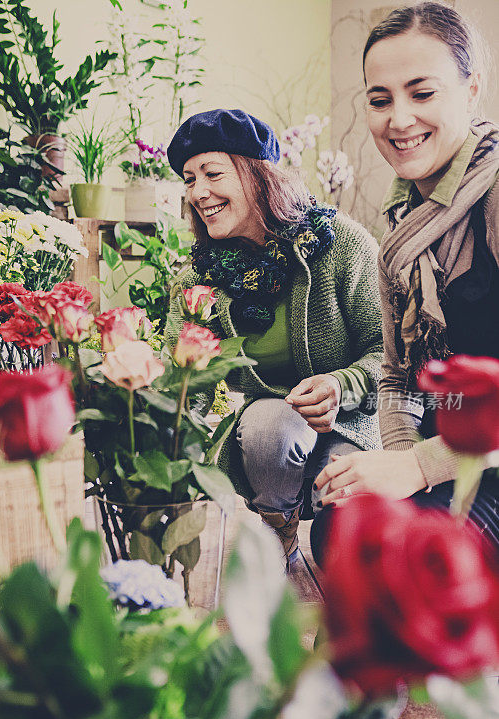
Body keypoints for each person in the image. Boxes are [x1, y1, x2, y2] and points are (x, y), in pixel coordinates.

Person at [313, 1, 499, 556]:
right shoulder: (401, 229)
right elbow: (397, 379)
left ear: (472, 90)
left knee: (396, 556)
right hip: (443, 458)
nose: (399, 119)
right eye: (379, 99)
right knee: (342, 529)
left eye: (422, 93)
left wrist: (419, 467)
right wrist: (394, 464)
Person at [164, 108, 383, 568]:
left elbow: (389, 352)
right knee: (268, 427)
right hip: (272, 434)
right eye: (189, 178)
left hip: (352, 419)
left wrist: (341, 385)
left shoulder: (342, 244)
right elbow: (184, 382)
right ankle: (279, 523)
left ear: (258, 175)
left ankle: (326, 520)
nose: (198, 192)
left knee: (345, 551)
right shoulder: (199, 277)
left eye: (212, 173)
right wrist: (160, 451)